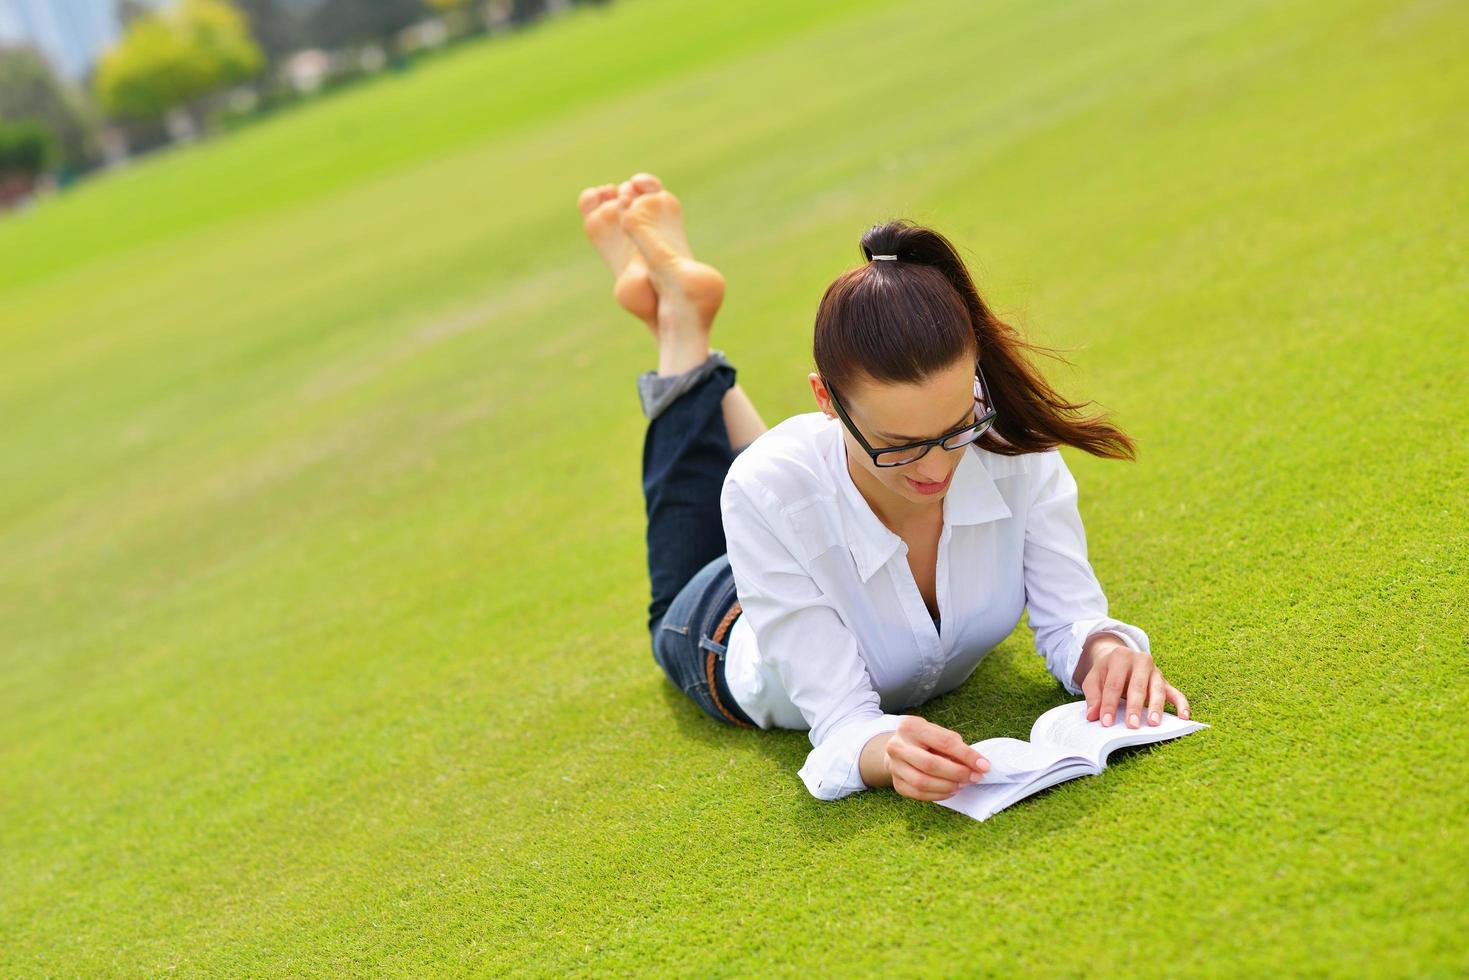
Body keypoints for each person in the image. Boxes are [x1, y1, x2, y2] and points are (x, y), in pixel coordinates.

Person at [578, 172, 1192, 804]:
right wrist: (883, 753)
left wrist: (1106, 650)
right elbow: (843, 723)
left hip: (797, 529)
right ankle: (681, 327)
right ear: (825, 399)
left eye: (956, 430)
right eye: (899, 446)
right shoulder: (767, 488)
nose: (935, 469)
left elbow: (1073, 622)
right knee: (750, 503)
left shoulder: (1007, 441)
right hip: (722, 623)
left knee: (788, 486)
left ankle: (682, 317)